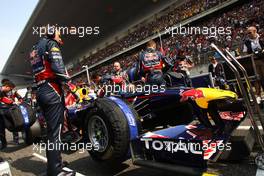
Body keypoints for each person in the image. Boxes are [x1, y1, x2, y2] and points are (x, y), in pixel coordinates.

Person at [29, 25, 74, 176]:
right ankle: (55, 171)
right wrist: (71, 84)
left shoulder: (34, 48)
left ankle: (55, 164)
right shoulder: (50, 44)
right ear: (51, 33)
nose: (60, 38)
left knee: (51, 132)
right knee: (55, 133)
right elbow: (58, 68)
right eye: (59, 35)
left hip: (41, 91)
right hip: (52, 90)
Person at [243, 26, 264, 103]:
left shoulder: (261, 38)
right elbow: (245, 53)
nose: (248, 34)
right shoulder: (246, 42)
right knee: (257, 79)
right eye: (247, 33)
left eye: (250, 32)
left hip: (262, 60)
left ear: (255, 31)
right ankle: (258, 97)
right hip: (253, 62)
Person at [0, 80, 16, 149]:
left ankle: (3, 144)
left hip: (1, 114)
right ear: (7, 86)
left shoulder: (3, 93)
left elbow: (5, 99)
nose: (10, 90)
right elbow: (4, 99)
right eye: (10, 89)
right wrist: (13, 102)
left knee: (1, 128)